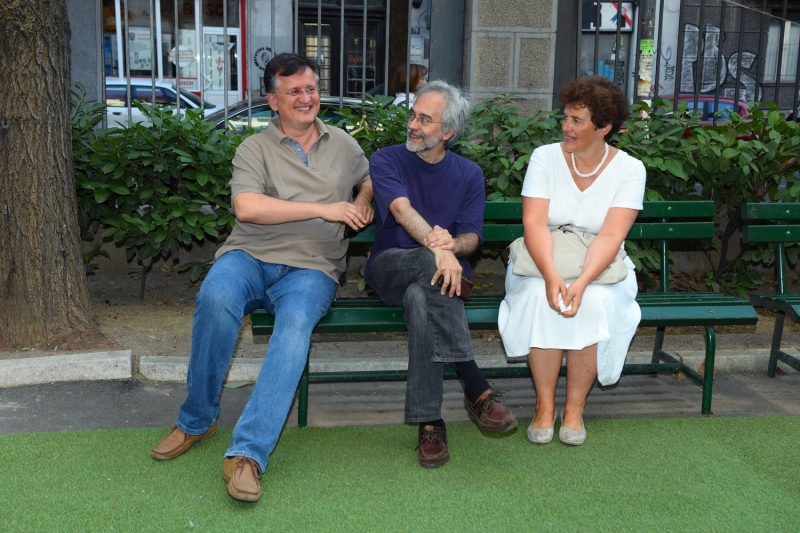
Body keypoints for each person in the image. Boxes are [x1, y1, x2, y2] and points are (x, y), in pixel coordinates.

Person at [149, 53, 373, 503]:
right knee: (216, 297)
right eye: (294, 91)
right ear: (273, 101)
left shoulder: (344, 144)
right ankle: (197, 420)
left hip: (313, 267)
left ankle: (248, 454)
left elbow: (369, 179)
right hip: (250, 256)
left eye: (311, 89)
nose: (306, 98)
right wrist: (325, 208)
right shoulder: (253, 148)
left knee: (294, 328)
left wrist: (363, 199)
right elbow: (247, 207)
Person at [366, 80, 518, 468]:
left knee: (423, 298)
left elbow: (471, 237)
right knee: (429, 268)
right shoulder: (386, 160)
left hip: (438, 283)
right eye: (412, 116)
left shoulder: (468, 174)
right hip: (390, 269)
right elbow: (401, 210)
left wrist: (453, 246)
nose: (412, 125)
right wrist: (440, 252)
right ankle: (475, 383)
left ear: (447, 131)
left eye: (424, 120)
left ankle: (430, 422)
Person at [498, 76, 645, 447]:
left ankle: (575, 408)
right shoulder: (545, 157)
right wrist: (551, 276)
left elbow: (611, 236)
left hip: (600, 266)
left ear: (603, 128)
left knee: (593, 300)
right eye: (565, 117)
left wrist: (581, 282)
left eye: (577, 121)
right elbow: (534, 223)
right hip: (542, 259)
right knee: (539, 296)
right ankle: (544, 405)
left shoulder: (630, 170)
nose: (566, 126)